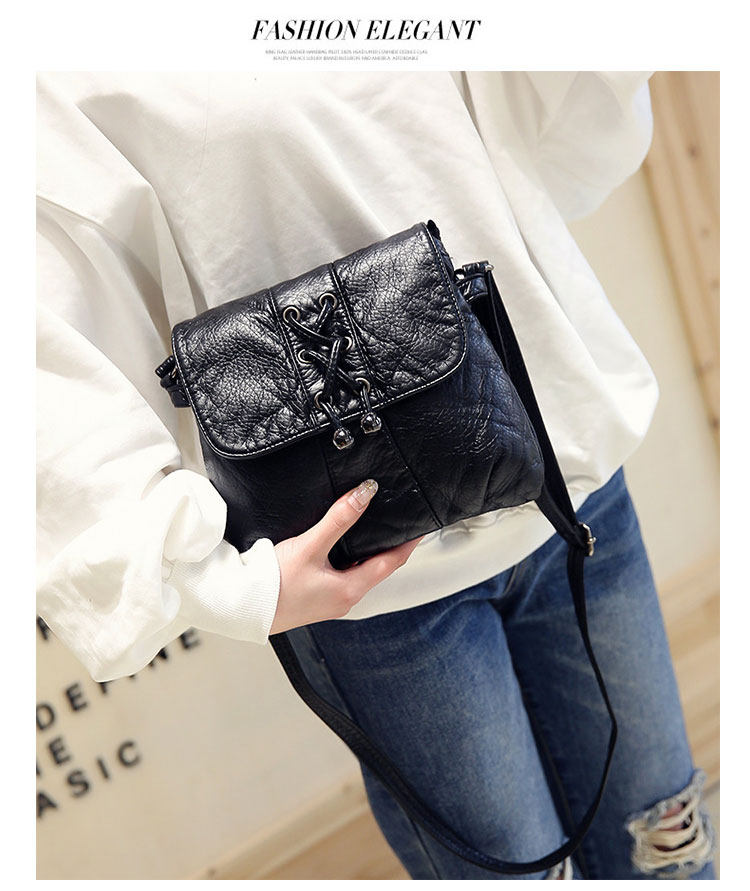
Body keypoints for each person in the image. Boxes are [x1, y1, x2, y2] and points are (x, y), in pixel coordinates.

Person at [36, 71, 716, 879]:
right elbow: (44, 338)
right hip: (378, 594)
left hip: (565, 485)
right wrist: (224, 586)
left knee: (665, 843)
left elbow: (549, 119)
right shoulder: (63, 60)